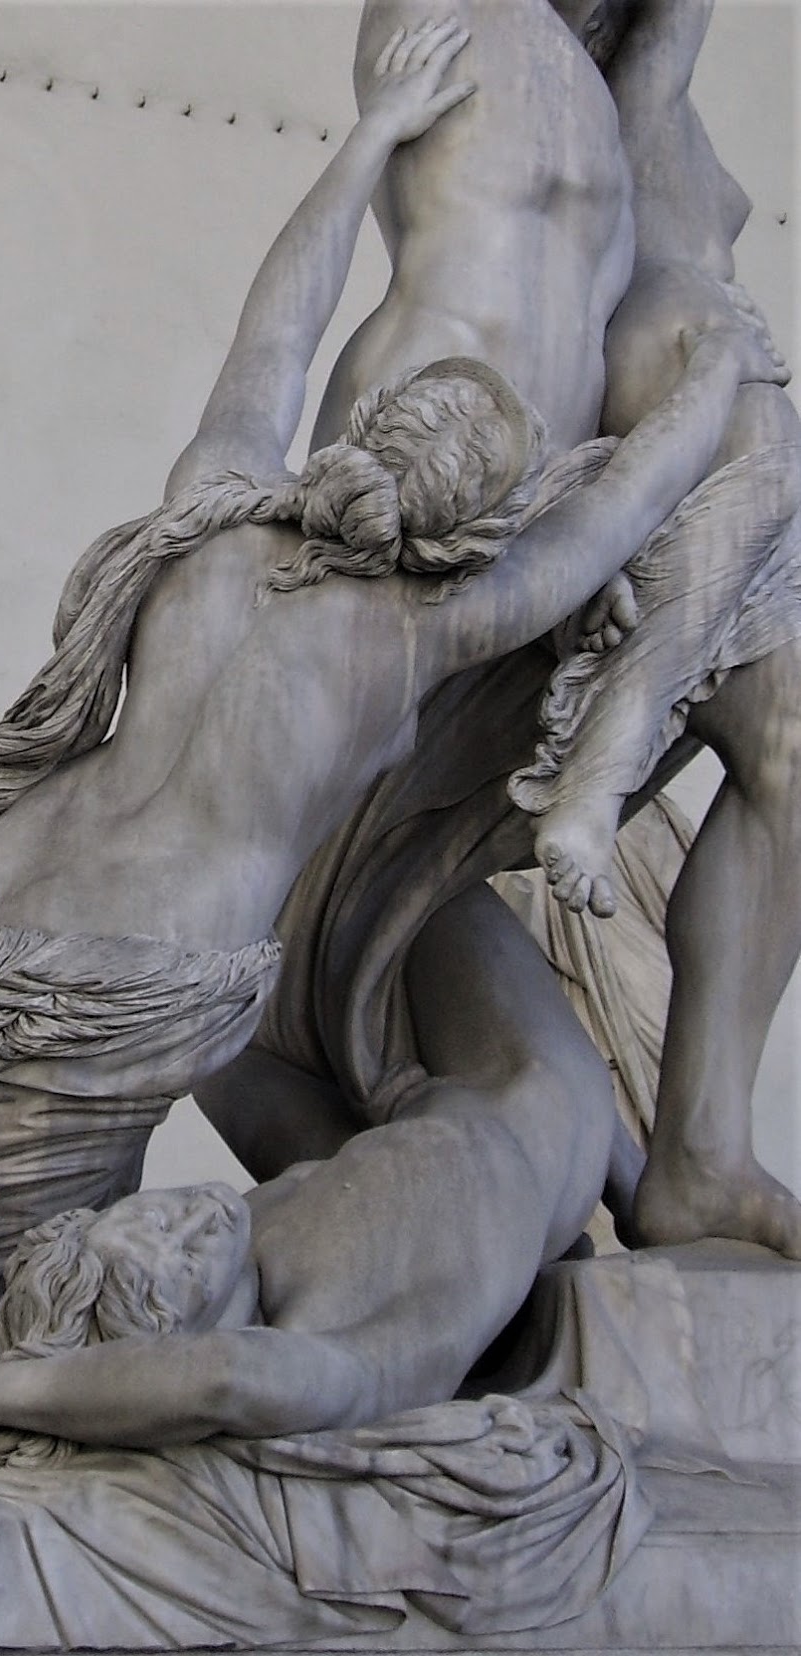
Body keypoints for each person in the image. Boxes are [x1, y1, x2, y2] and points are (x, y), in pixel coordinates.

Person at [0, 12, 783, 1335]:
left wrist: (370, 140)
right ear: (477, 531)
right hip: (118, 989)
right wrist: (712, 386)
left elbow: (280, 329)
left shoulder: (217, 512)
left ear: (363, 428)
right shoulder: (431, 622)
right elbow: (619, 508)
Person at [202, 0, 799, 1261]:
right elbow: (271, 363)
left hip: (593, 462)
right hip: (500, 470)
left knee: (788, 747)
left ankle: (699, 1154)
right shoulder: (470, 35)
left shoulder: (619, 100)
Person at [0, 881, 617, 1461]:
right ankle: (658, 1177)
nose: (193, 1217)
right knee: (401, 853)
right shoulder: (333, 1345)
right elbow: (219, 1380)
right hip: (532, 1101)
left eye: (154, 1216)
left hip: (353, 1156)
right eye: (186, 1256)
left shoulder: (231, 1247)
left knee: (207, 1000)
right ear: (182, 1336)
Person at [505, 0, 801, 1255]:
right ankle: (609, 748)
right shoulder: (612, 81)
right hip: (671, 363)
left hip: (692, 369)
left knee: (790, 757)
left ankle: (703, 1154)